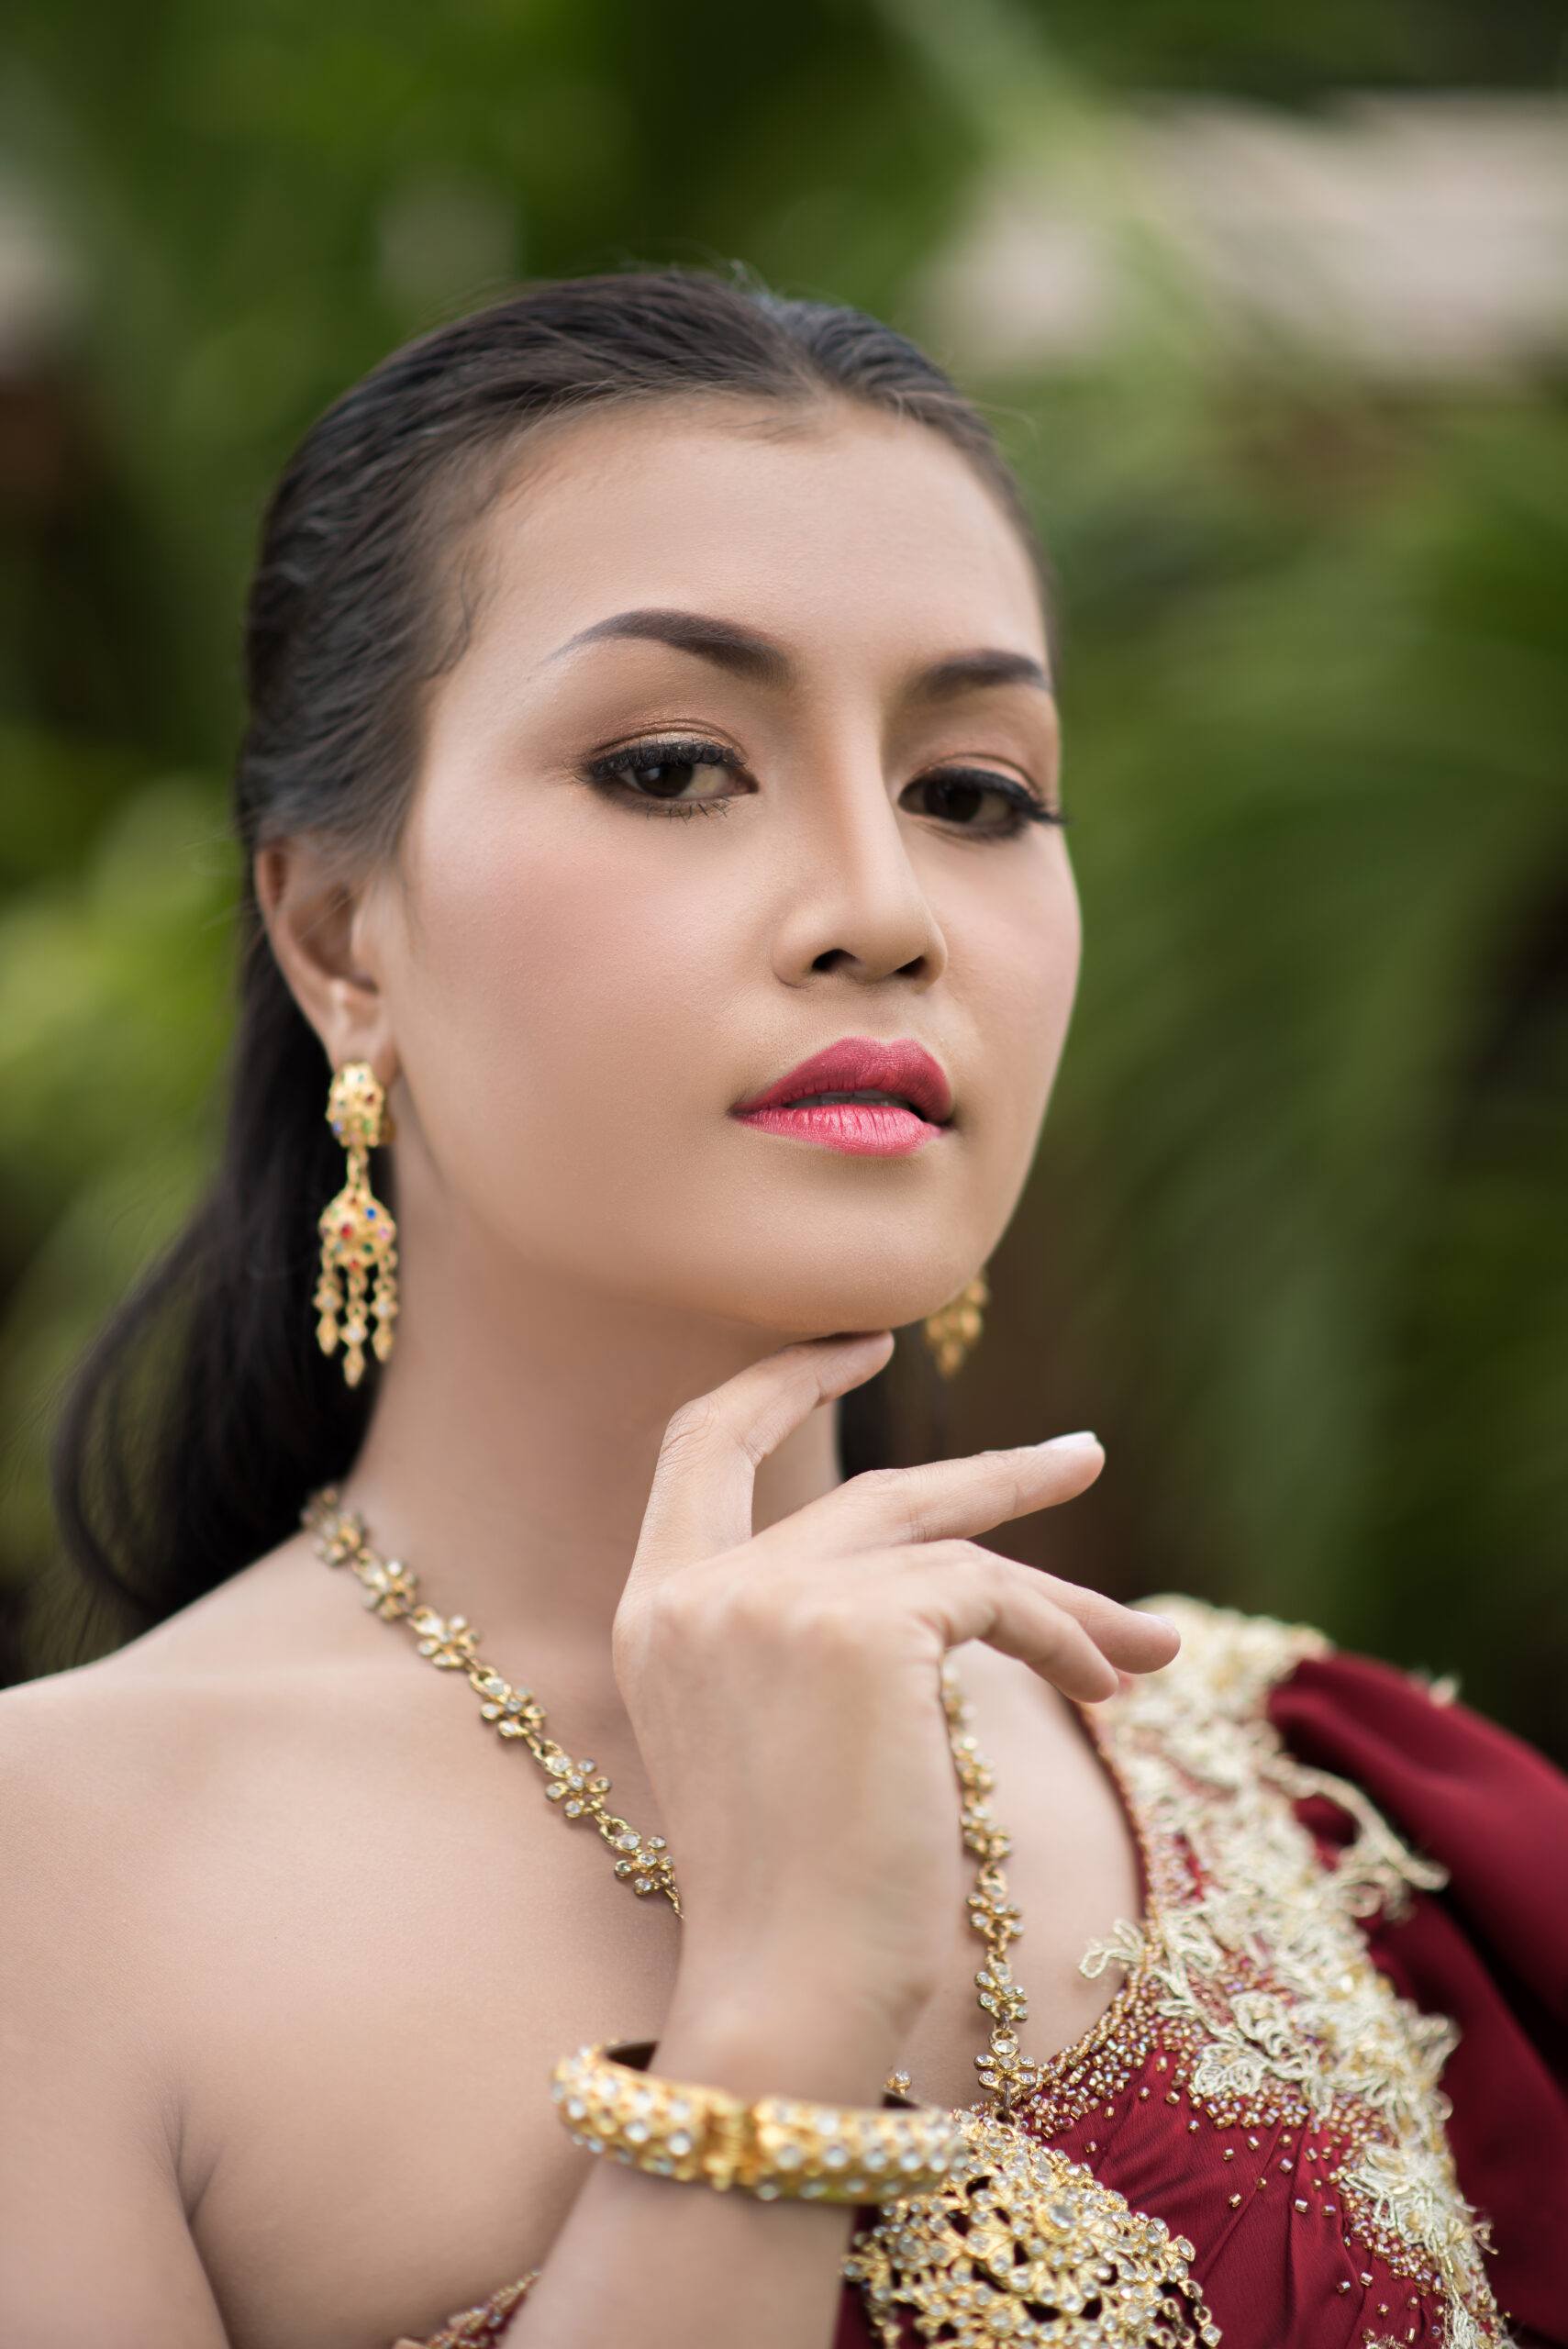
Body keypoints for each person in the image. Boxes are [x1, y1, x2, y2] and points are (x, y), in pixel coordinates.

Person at [0, 273, 1562, 2349]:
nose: (884, 910)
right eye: (670, 766)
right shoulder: (55, 1893)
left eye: (973, 792)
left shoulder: (1362, 1819)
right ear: (339, 935)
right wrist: (783, 2004)